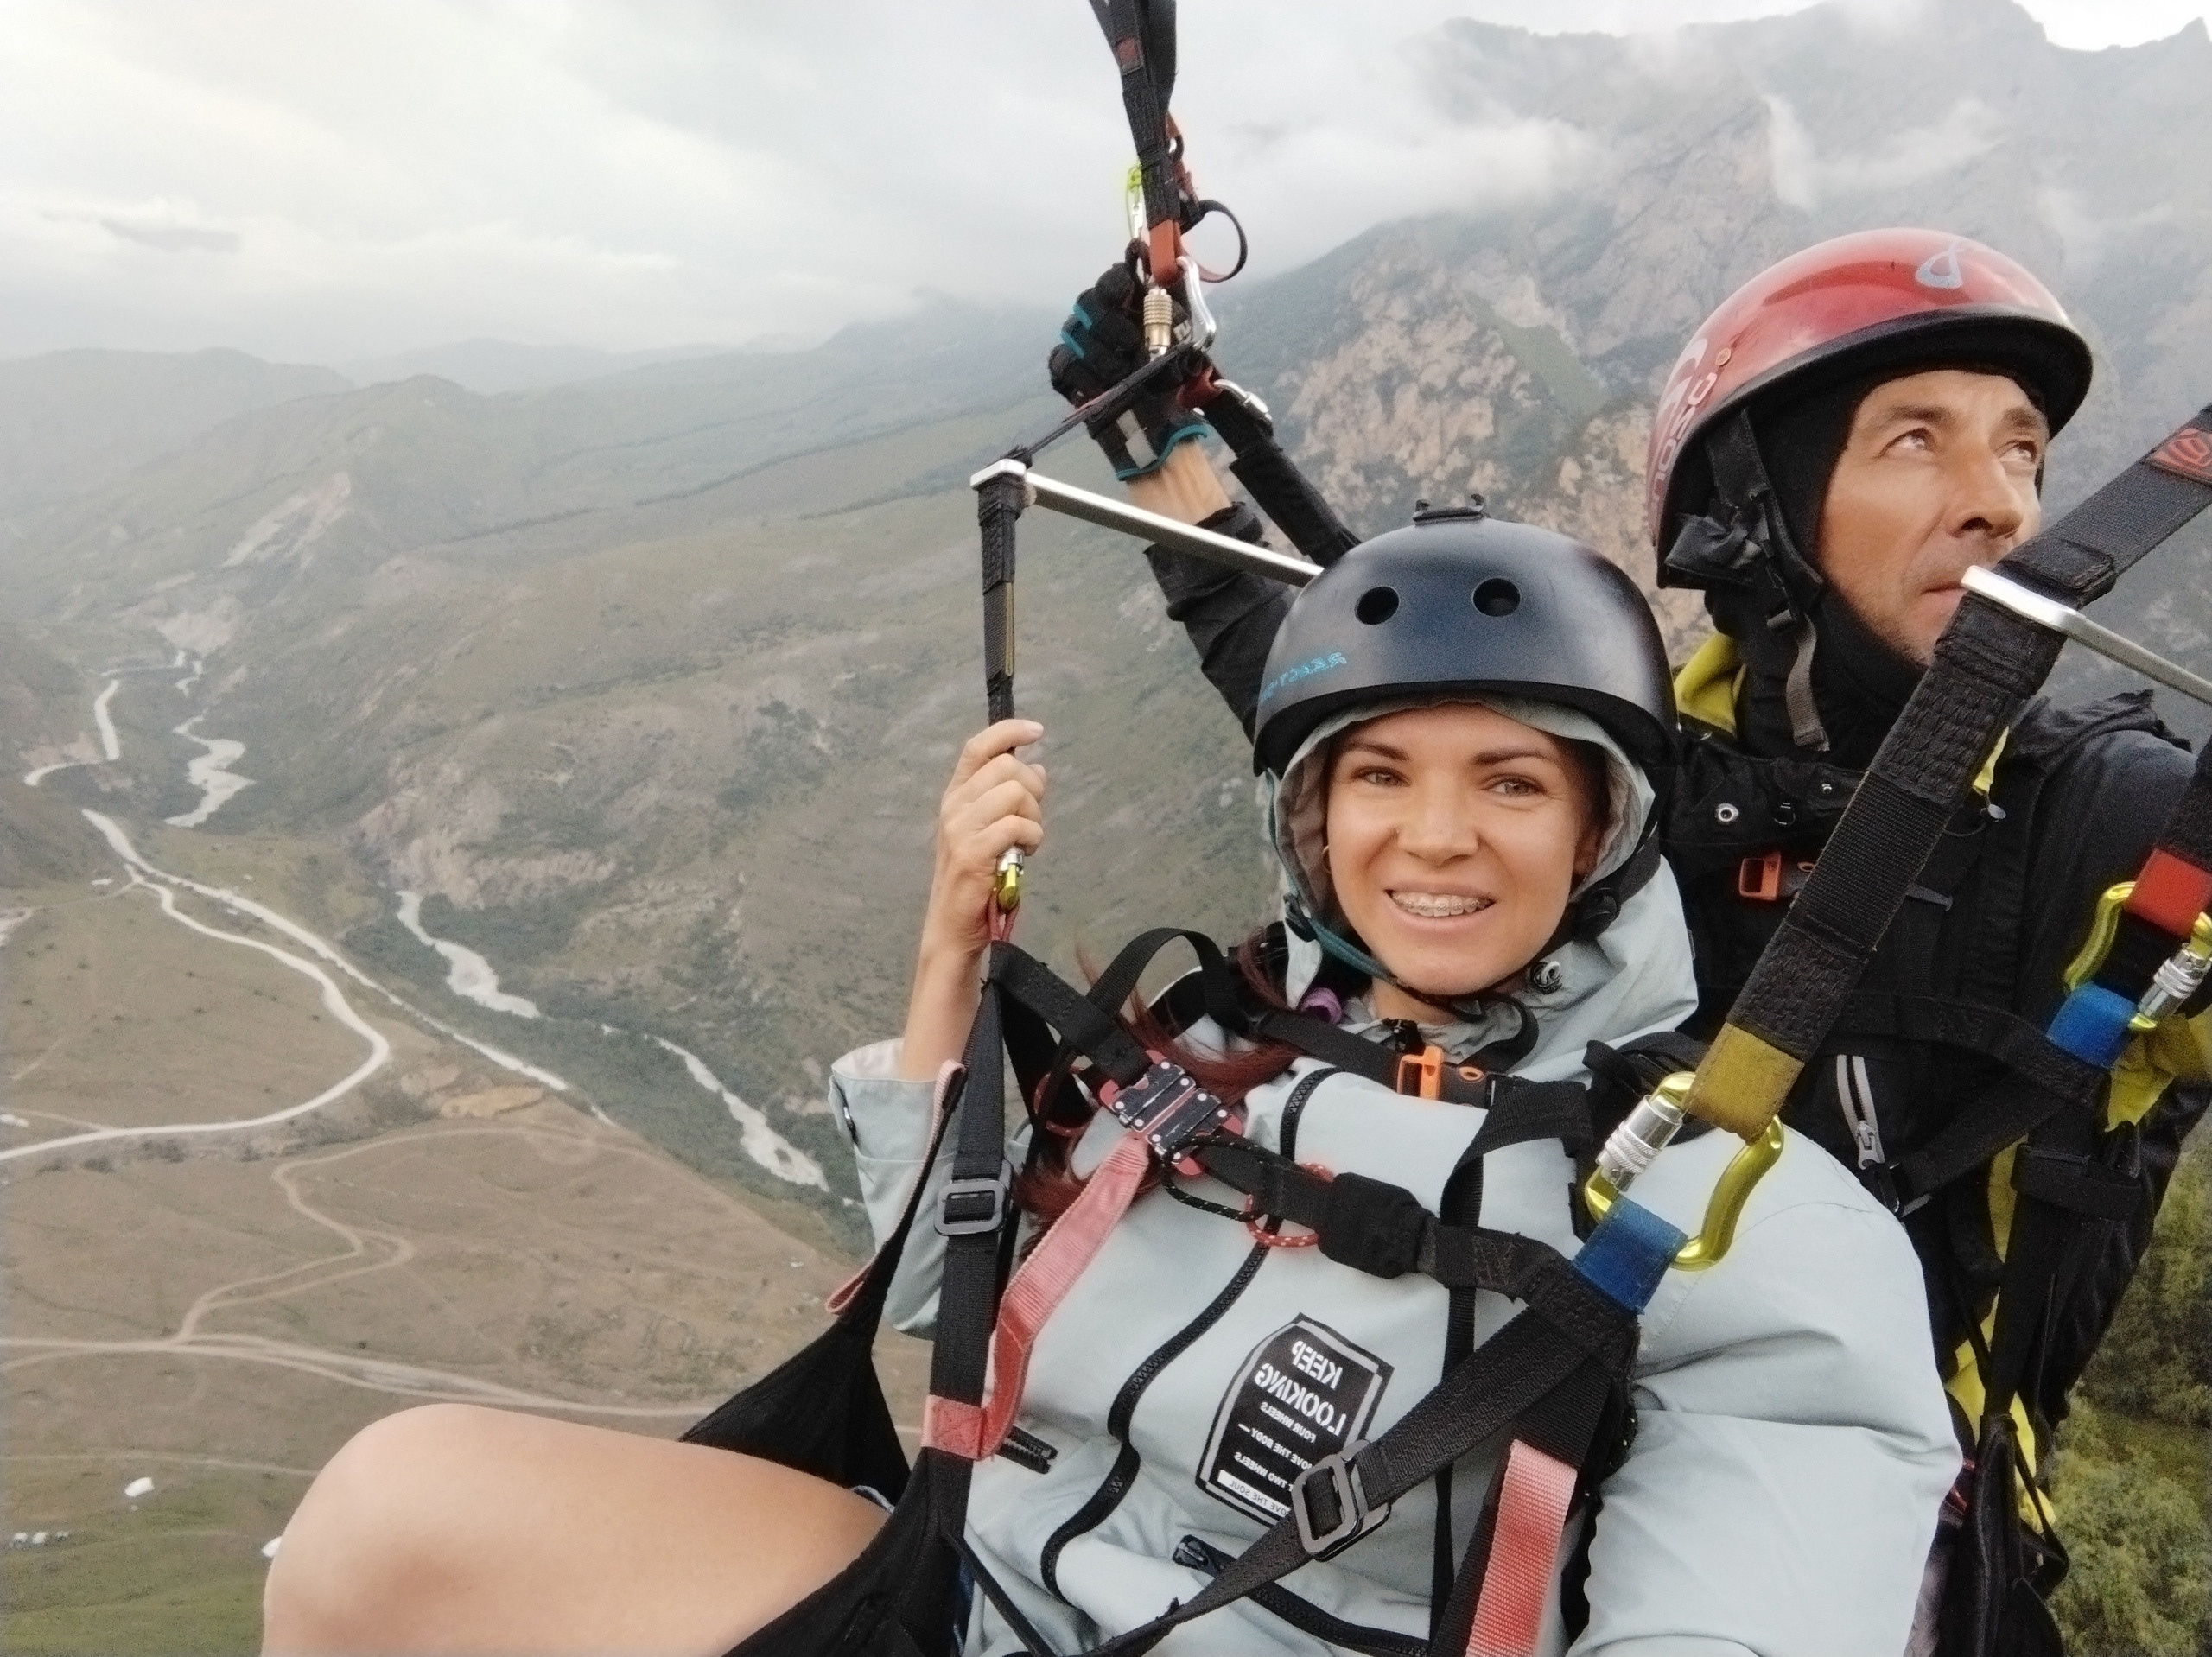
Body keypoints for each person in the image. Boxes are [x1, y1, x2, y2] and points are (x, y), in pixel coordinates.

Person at [262, 516, 1960, 1656]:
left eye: (1508, 780)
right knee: (378, 1519)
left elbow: (1743, 1595)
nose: (1429, 835)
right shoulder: (1219, 1037)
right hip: (961, 1584)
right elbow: (943, 1294)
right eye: (1374, 772)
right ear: (1310, 813)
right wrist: (946, 948)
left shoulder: (1735, 1209)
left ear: (1602, 825)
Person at [1055, 227, 2212, 1647]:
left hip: (1858, 1511)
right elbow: (1398, 743)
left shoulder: (2106, 823)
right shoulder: (1657, 769)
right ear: (1762, 500)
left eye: (2024, 451)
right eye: (1917, 440)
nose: (2003, 507)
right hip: (1534, 1406)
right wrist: (1159, 448)